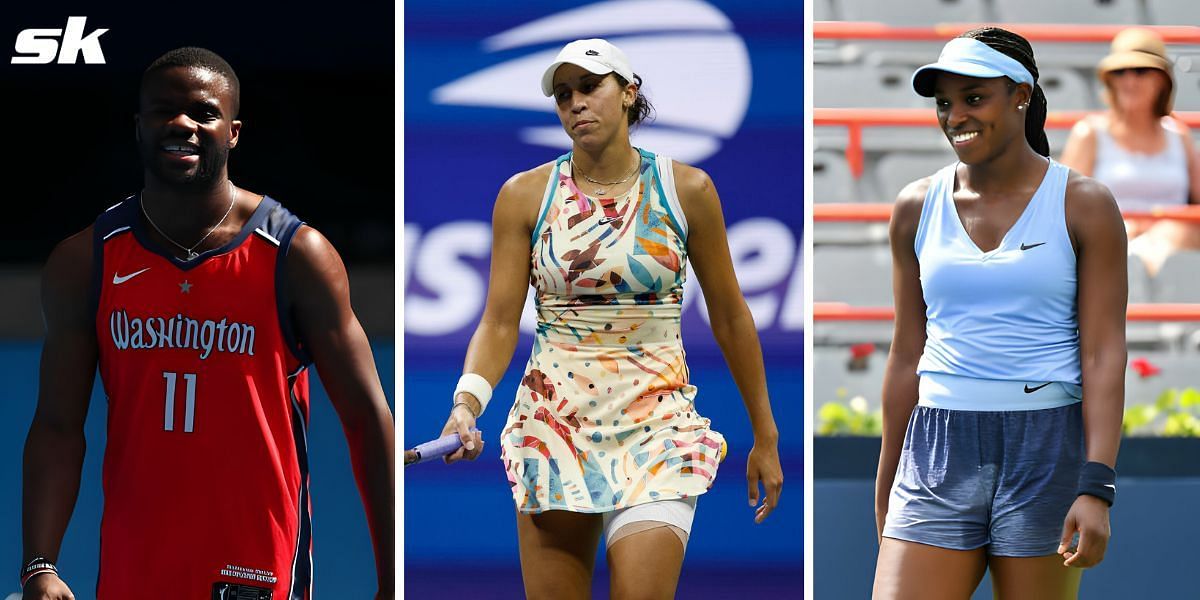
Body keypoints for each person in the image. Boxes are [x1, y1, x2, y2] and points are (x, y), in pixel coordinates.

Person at [21, 47, 395, 599]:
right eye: (163, 110)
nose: (182, 124)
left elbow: (367, 419)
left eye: (203, 112)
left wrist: (392, 584)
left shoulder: (297, 254)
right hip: (134, 572)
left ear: (234, 131)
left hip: (256, 570)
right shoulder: (86, 260)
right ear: (139, 124)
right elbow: (56, 427)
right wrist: (39, 564)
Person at [434, 38, 783, 599]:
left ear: (628, 93)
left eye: (590, 87)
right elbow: (499, 322)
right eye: (564, 93)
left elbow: (732, 318)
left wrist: (765, 433)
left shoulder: (688, 190)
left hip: (657, 425)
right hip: (553, 424)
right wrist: (465, 403)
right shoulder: (522, 195)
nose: (576, 103)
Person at [873, 28, 1127, 599]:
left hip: (1048, 449)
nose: (956, 115)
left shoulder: (1085, 202)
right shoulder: (915, 205)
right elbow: (906, 352)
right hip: (934, 448)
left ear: (1021, 95)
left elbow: (1104, 353)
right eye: (945, 102)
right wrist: (888, 477)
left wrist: (1097, 485)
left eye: (974, 97)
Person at [1060, 27, 1200, 275]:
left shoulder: (1180, 136)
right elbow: (1064, 208)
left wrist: (1163, 227)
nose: (1129, 80)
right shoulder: (1090, 133)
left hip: (1172, 254)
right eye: (1119, 71)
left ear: (1162, 80)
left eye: (1140, 71)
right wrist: (1121, 225)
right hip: (1107, 246)